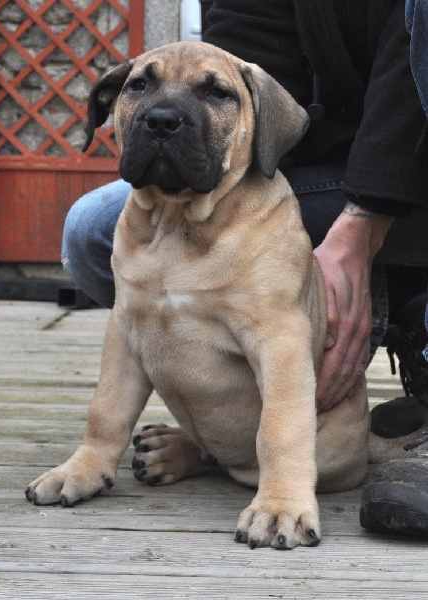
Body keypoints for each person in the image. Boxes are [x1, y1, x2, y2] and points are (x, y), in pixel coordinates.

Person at [62, 1, 428, 534]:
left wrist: (284, 482)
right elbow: (127, 338)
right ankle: (205, 446)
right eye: (141, 88)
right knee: (91, 227)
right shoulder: (138, 222)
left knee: (280, 343)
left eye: (213, 93)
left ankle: (289, 469)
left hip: (408, 164)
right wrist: (96, 449)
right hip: (317, 159)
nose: (163, 114)